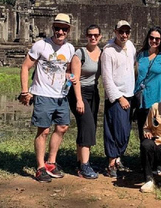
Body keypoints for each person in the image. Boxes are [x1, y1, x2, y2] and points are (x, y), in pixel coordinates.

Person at [19, 13, 75, 182]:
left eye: (64, 29)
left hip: (61, 95)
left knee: (62, 127)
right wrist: (24, 91)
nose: (60, 32)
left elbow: (67, 69)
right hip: (43, 94)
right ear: (53, 28)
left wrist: (69, 77)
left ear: (68, 30)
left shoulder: (70, 48)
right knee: (43, 130)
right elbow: (25, 67)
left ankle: (51, 162)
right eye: (57, 28)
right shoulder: (41, 45)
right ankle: (40, 167)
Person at [101, 20, 136, 178]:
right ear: (115, 31)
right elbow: (107, 79)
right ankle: (110, 163)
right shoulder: (108, 51)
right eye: (121, 32)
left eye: (127, 32)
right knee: (114, 130)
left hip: (130, 94)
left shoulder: (131, 46)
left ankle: (117, 159)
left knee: (125, 130)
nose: (124, 35)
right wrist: (119, 97)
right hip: (116, 97)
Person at [68, 24, 102, 179]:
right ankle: (85, 166)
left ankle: (80, 160)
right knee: (87, 125)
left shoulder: (102, 54)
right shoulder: (79, 53)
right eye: (90, 35)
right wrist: (79, 100)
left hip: (93, 92)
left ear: (100, 36)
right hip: (78, 93)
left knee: (88, 126)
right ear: (86, 36)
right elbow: (75, 79)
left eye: (96, 35)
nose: (93, 38)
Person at [134, 26, 161, 141]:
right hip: (141, 98)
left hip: (157, 99)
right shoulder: (140, 55)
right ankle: (144, 158)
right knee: (143, 132)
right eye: (152, 38)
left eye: (157, 39)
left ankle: (155, 159)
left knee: (157, 134)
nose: (154, 41)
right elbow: (136, 75)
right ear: (147, 38)